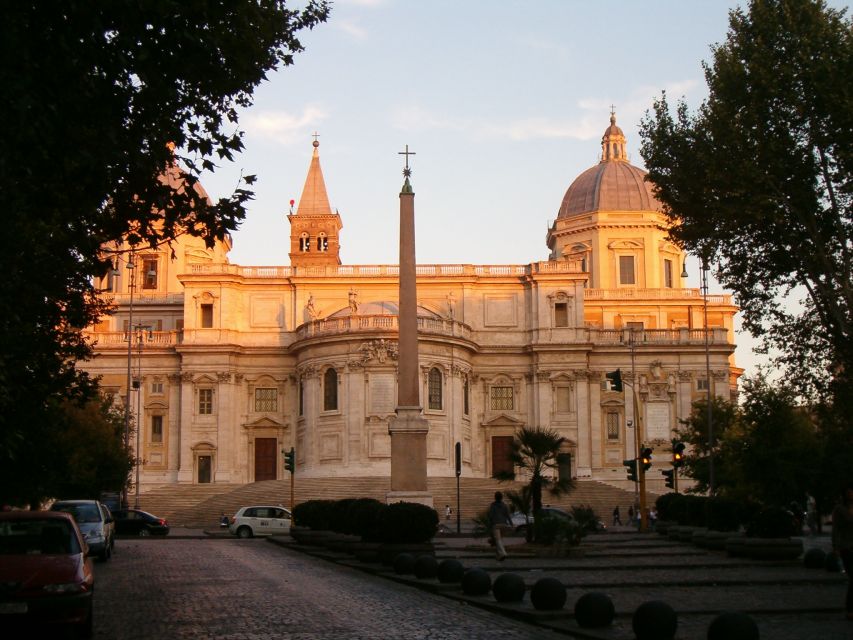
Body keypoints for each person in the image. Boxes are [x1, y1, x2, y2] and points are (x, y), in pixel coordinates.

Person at [831, 481, 853, 620]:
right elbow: (836, 529)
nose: (851, 494)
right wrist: (835, 547)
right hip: (847, 547)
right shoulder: (839, 509)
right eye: (849, 492)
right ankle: (850, 608)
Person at [488, 491, 513, 561]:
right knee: (499, 540)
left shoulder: (493, 505)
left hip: (496, 525)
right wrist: (511, 524)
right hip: (504, 525)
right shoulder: (504, 505)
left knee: (498, 540)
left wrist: (490, 525)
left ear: (495, 497)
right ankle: (498, 555)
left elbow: (491, 516)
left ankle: (503, 553)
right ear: (501, 497)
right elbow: (508, 516)